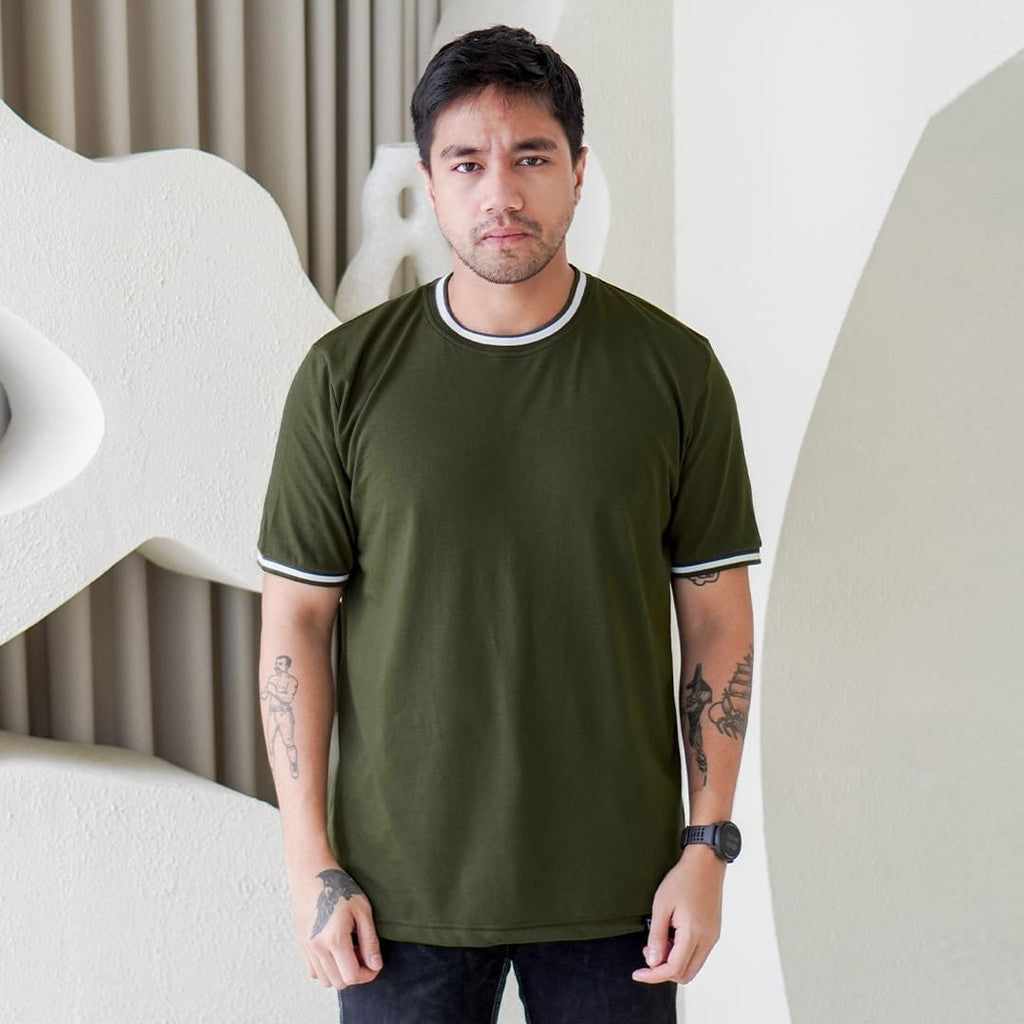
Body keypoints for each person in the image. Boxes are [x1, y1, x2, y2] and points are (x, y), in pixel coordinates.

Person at [256, 24, 761, 1024]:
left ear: (578, 171)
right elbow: (296, 625)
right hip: (394, 900)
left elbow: (717, 620)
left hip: (622, 895)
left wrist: (706, 847)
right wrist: (309, 860)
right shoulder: (343, 378)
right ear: (428, 183)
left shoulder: (673, 372)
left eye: (531, 158)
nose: (500, 193)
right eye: (466, 163)